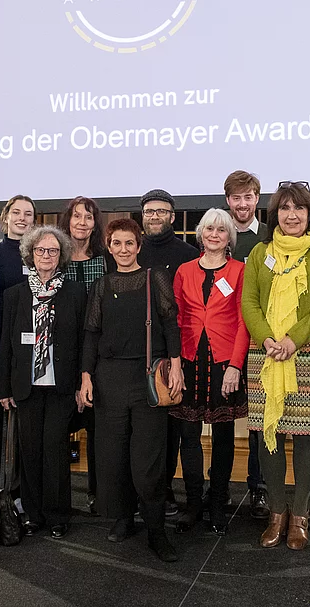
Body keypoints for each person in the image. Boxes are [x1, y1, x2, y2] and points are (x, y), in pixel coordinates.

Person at [242, 181, 310, 551]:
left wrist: (293, 339)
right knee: (268, 432)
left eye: (299, 208)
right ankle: (276, 513)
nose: (291, 215)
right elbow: (249, 302)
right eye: (284, 209)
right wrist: (268, 338)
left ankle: (299, 515)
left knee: (306, 436)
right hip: (266, 351)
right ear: (275, 215)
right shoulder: (259, 253)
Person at [78, 218, 185, 562]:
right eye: (117, 244)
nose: (123, 250)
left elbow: (171, 323)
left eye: (129, 243)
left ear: (139, 246)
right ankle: (123, 518)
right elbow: (91, 334)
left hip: (148, 379)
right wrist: (85, 376)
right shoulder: (101, 285)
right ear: (108, 247)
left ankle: (156, 531)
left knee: (148, 460)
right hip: (109, 380)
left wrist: (177, 365)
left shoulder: (156, 279)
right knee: (114, 457)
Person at [0, 225, 86, 538]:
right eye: (40, 250)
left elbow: (82, 342)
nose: (46, 256)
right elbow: (6, 344)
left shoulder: (75, 293)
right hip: (27, 386)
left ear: (61, 256)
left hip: (61, 386)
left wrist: (80, 383)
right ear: (30, 255)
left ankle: (58, 514)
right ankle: (33, 515)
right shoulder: (14, 295)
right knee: (30, 452)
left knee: (56, 451)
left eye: (52, 251)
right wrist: (5, 388)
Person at [171, 209, 249, 536]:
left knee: (223, 436)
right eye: (209, 229)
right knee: (188, 436)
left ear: (229, 236)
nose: (214, 234)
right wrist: (175, 362)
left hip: (223, 362)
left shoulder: (240, 271)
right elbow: (174, 318)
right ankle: (192, 502)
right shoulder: (184, 271)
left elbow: (245, 321)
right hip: (189, 360)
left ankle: (217, 501)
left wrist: (235, 365)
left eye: (221, 230)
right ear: (201, 234)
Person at [137, 189, 199, 515]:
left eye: (162, 211)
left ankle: (173, 495)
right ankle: (147, 493)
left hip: (179, 355)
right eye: (150, 211)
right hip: (138, 355)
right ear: (142, 216)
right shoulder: (132, 251)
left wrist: (179, 359)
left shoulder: (190, 254)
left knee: (177, 431)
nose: (156, 216)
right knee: (145, 432)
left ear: (172, 217)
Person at [0, 194, 35, 517]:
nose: (22, 218)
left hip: (27, 355)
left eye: (29, 214)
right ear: (6, 217)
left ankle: (17, 492)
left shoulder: (40, 254)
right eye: (17, 212)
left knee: (23, 426)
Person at [58, 196, 112, 515]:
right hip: (61, 355)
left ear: (95, 223)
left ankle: (97, 492)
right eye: (76, 216)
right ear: (68, 220)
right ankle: (57, 493)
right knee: (58, 428)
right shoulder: (55, 258)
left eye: (88, 217)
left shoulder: (105, 261)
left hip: (98, 357)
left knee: (97, 430)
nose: (81, 222)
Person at [224, 170, 270, 519]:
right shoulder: (217, 237)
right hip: (223, 338)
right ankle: (220, 487)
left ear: (257, 198)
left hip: (261, 339)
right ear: (228, 201)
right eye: (236, 198)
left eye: (249, 197)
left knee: (258, 419)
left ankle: (259, 488)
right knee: (222, 417)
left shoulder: (272, 237)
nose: (242, 204)